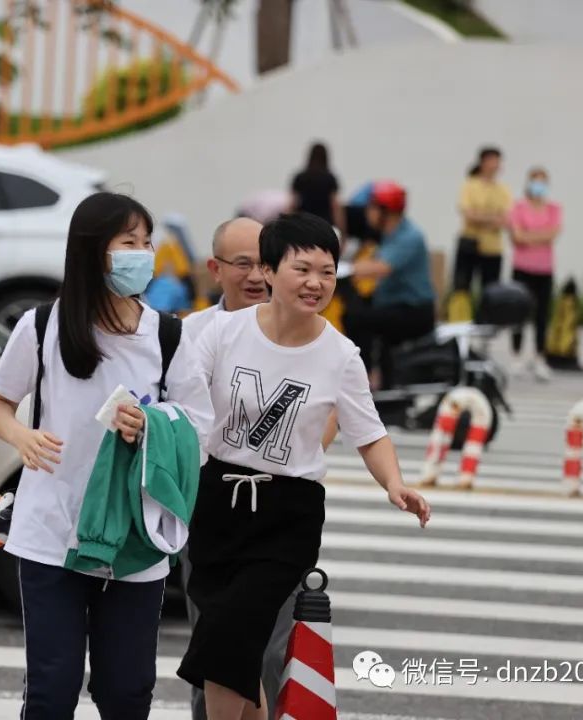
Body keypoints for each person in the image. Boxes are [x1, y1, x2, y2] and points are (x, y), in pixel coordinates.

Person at [177, 212, 430, 720]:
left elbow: (369, 431)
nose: (316, 283)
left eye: (327, 272)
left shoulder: (340, 354)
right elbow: (182, 404)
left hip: (287, 513)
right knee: (232, 643)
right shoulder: (222, 332)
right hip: (215, 503)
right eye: (302, 269)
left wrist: (395, 484)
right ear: (269, 271)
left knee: (229, 635)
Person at [0, 192, 213, 719]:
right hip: (50, 534)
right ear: (92, 251)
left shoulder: (168, 335)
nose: (143, 253)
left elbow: (200, 427)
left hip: (134, 539)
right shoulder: (42, 327)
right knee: (51, 689)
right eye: (128, 242)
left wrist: (152, 426)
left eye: (147, 242)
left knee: (127, 692)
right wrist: (21, 437)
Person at [343, 181, 437, 390]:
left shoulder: (409, 236)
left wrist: (345, 268)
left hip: (415, 311)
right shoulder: (389, 234)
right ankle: (387, 393)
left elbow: (382, 267)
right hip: (396, 306)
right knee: (364, 314)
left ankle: (361, 381)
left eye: (371, 208)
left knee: (357, 319)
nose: (367, 213)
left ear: (385, 211)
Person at [508, 167, 562, 382]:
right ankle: (516, 355)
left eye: (542, 182)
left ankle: (540, 356)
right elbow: (517, 236)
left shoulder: (553, 208)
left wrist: (530, 236)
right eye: (535, 181)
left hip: (544, 268)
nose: (538, 186)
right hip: (522, 267)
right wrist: (538, 236)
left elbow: (553, 233)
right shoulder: (518, 207)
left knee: (542, 315)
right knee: (518, 313)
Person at [452, 147, 511, 318]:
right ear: (483, 162)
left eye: (497, 161)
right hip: (469, 244)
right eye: (492, 160)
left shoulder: (503, 190)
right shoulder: (470, 185)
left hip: (492, 248)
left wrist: (481, 217)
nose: (495, 165)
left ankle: (485, 324)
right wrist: (492, 218)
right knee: (462, 287)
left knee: (490, 290)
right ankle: (460, 322)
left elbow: (506, 219)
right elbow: (468, 214)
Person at [290, 142, 345, 236]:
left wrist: (287, 225)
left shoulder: (300, 177)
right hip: (325, 225)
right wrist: (342, 231)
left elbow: (292, 204)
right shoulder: (330, 178)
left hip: (303, 223)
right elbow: (336, 207)